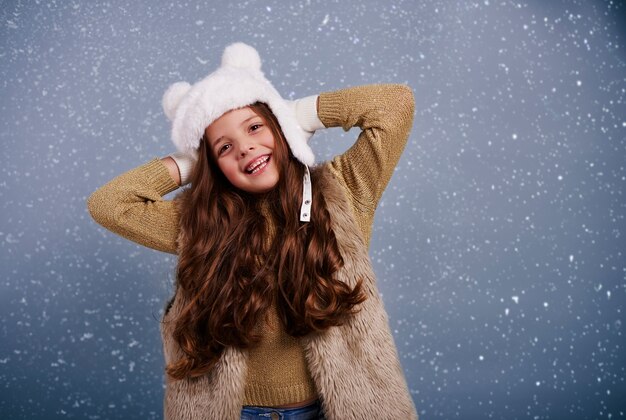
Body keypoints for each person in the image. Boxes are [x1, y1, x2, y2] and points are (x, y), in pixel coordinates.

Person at [87, 42, 417, 420]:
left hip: (338, 410)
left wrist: (295, 114)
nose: (245, 148)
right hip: (238, 413)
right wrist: (192, 162)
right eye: (225, 147)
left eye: (256, 127)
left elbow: (395, 104)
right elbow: (109, 204)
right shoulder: (199, 222)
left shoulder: (343, 191)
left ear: (281, 129)